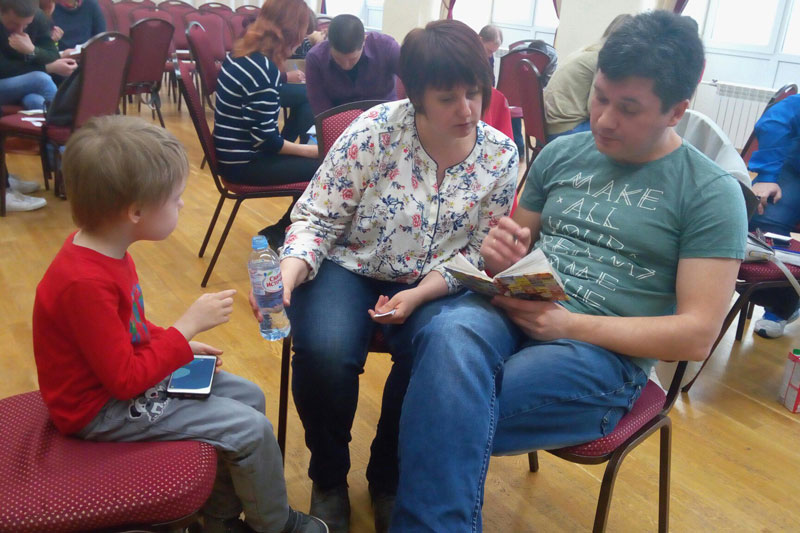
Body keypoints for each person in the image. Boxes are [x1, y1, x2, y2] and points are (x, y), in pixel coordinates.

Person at [391, 11, 748, 532]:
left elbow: (695, 336)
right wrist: (502, 255)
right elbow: (513, 250)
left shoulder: (709, 193)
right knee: (447, 334)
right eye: (599, 97)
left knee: (445, 399)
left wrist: (567, 325)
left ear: (677, 111)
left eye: (628, 109)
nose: (603, 119)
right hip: (518, 308)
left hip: (602, 352)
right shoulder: (563, 154)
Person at [253, 19, 518, 533]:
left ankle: (389, 477)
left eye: (474, 92)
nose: (467, 110)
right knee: (324, 351)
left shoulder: (499, 156)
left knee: (436, 354)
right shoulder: (374, 131)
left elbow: (476, 255)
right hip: (351, 264)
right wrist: (287, 272)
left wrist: (419, 294)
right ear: (415, 96)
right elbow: (317, 217)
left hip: (436, 280)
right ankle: (329, 477)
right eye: (447, 98)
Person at [32, 115, 327, 533]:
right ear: (135, 211)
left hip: (115, 385)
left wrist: (175, 347)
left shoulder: (106, 251)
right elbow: (123, 381)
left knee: (250, 397)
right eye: (175, 198)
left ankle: (219, 518)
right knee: (251, 430)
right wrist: (184, 330)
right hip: (98, 411)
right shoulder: (84, 283)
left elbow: (127, 330)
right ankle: (275, 525)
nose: (182, 205)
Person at [213, 0, 318, 249]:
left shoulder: (242, 52)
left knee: (306, 113)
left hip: (231, 155)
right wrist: (311, 151)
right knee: (325, 169)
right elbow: (266, 141)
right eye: (301, 35)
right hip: (244, 164)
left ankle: (294, 229)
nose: (302, 41)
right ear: (291, 33)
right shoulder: (263, 69)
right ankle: (280, 230)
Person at [1, 0, 76, 211]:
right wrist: (47, 67)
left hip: (18, 82)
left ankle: (10, 179)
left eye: (25, 25)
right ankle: (63, 165)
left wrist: (32, 50)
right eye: (13, 24)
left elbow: (52, 53)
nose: (20, 30)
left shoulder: (39, 18)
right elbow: (3, 68)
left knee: (35, 100)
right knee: (40, 79)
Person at [745, 94, 800, 338]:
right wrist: (767, 176)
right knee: (764, 215)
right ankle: (779, 307)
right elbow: (776, 120)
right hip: (794, 170)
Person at [544, 13, 632, 141]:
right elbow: (594, 107)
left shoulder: (588, 50)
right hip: (565, 129)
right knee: (626, 133)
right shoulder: (602, 59)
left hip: (550, 125)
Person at [304, 14, 399, 116]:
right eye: (339, 59)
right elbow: (321, 108)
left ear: (364, 40)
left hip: (385, 114)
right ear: (328, 44)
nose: (346, 66)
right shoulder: (315, 58)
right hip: (339, 119)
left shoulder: (386, 47)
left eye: (352, 59)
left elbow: (410, 78)